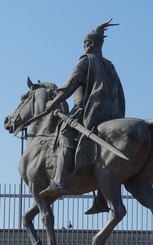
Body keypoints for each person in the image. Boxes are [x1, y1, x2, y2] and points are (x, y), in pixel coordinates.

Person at [40, 19, 125, 214]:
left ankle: (59, 180)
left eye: (87, 43)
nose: (85, 46)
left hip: (88, 112)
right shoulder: (110, 65)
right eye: (85, 43)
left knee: (65, 133)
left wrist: (51, 103)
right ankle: (102, 199)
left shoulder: (86, 61)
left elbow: (70, 86)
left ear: (94, 44)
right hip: (110, 115)